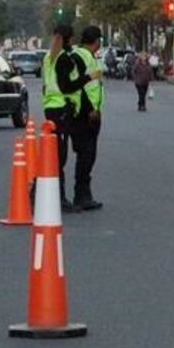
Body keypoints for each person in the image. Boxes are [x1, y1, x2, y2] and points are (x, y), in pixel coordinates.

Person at [42, 24, 98, 211]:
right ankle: (59, 198)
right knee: (60, 155)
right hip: (62, 110)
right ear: (68, 39)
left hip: (50, 107)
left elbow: (47, 84)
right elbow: (67, 87)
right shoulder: (63, 58)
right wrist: (89, 77)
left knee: (55, 153)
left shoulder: (48, 57)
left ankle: (51, 194)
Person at [69, 25, 106, 211]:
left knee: (89, 156)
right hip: (84, 115)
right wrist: (90, 108)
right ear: (97, 41)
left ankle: (84, 193)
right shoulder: (79, 57)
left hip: (92, 114)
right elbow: (79, 86)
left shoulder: (90, 57)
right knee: (85, 155)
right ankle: (81, 195)